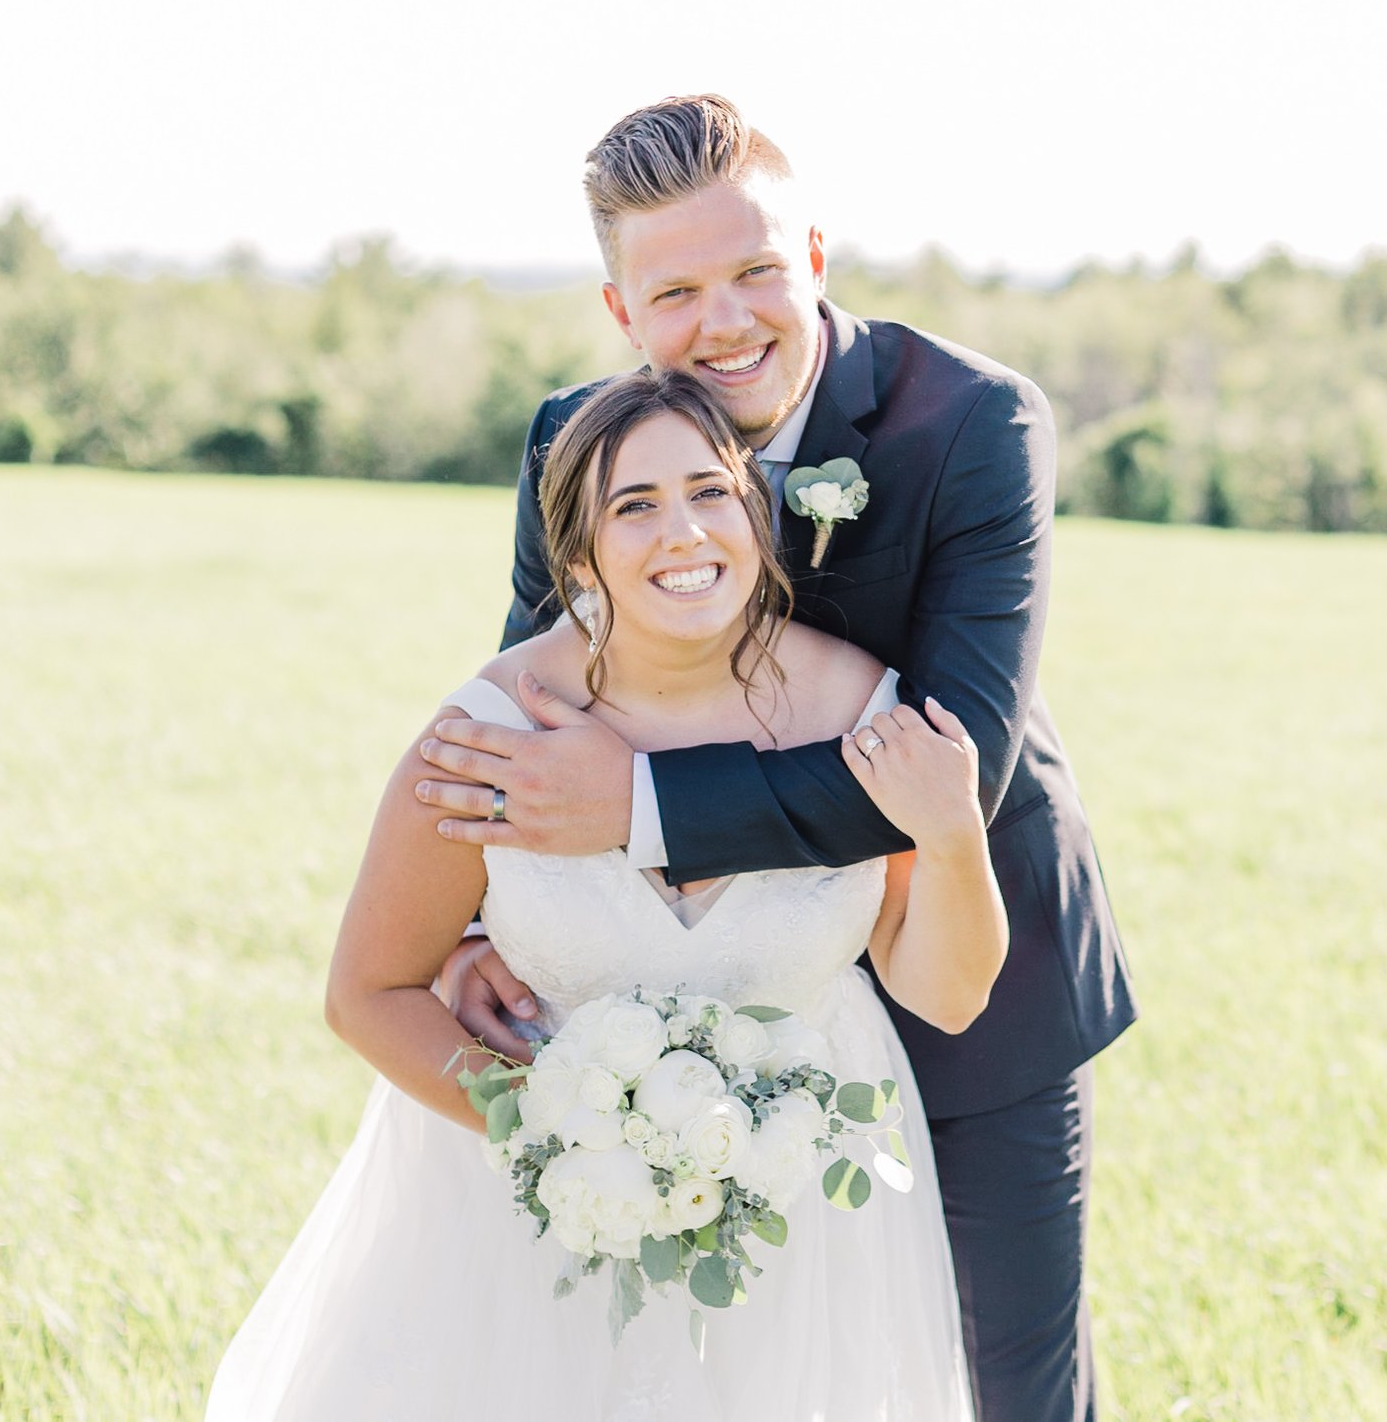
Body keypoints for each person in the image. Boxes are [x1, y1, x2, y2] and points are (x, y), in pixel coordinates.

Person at [412, 95, 1137, 1421]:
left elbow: (953, 765)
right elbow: (528, 704)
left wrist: (642, 806)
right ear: (622, 312)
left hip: (969, 966)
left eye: (755, 269)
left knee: (1004, 1387)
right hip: (701, 989)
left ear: (814, 254)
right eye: (675, 291)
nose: (726, 319)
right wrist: (473, 925)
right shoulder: (574, 438)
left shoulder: (974, 419)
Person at [207, 368, 1004, 1419]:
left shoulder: (865, 710)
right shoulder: (487, 733)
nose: (684, 532)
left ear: (755, 514)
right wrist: (566, 1143)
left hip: (798, 1222)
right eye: (635, 505)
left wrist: (952, 834)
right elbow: (368, 991)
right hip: (524, 1225)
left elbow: (945, 992)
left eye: (710, 491)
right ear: (579, 555)